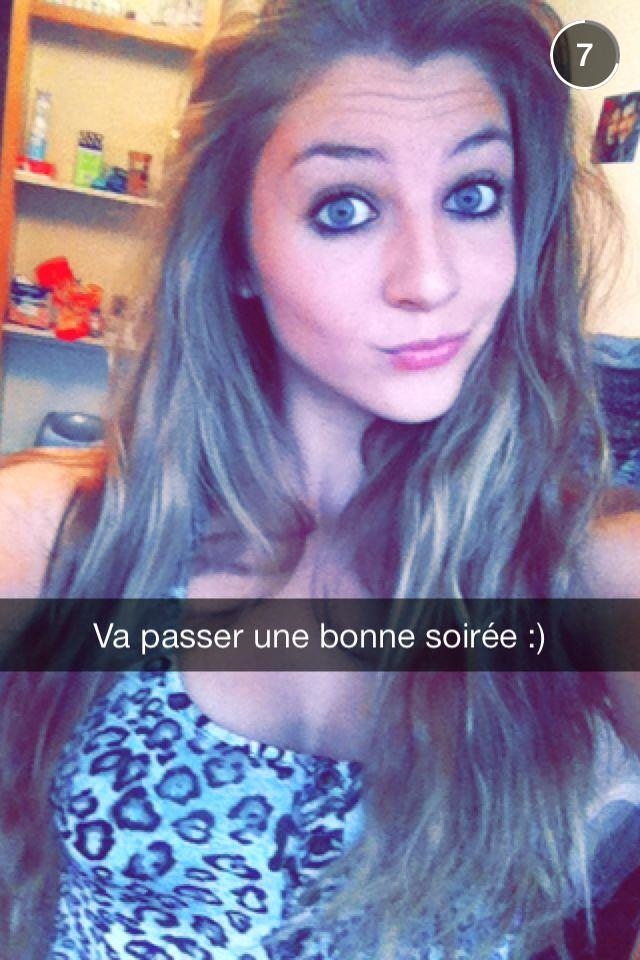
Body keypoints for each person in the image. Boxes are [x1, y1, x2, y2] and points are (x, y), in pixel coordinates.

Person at [0, 0, 639, 958]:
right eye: (345, 208)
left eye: (474, 195)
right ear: (238, 252)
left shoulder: (585, 574)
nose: (429, 280)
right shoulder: (54, 535)